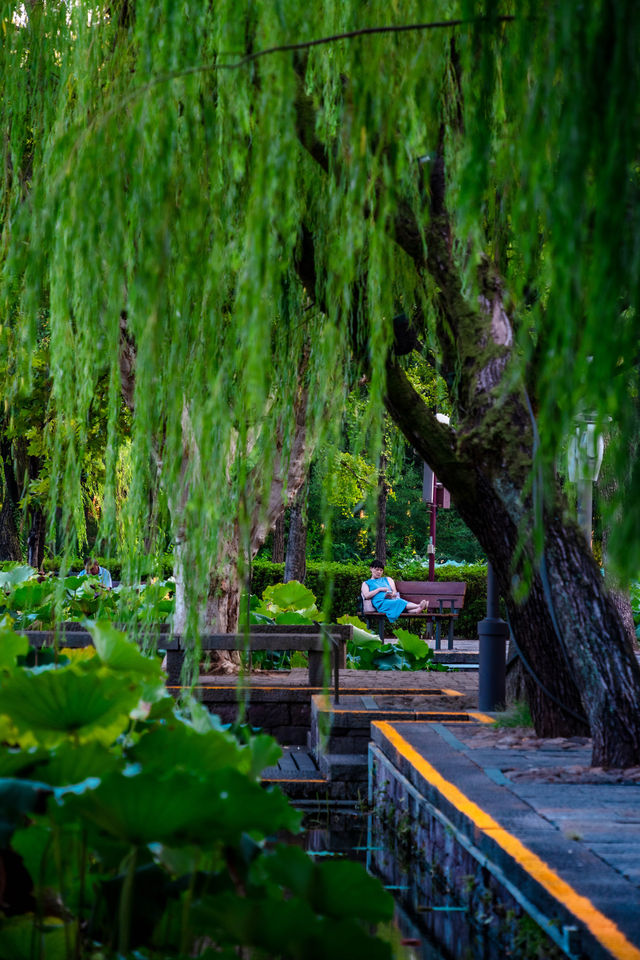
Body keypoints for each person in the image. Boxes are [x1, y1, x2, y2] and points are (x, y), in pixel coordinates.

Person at [361, 559, 427, 623]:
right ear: (371, 568)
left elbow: (394, 591)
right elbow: (366, 596)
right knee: (399, 602)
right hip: (381, 604)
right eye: (377, 569)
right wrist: (379, 589)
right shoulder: (366, 583)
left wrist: (392, 595)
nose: (379, 572)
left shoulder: (387, 579)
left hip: (391, 600)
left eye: (381, 570)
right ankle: (419, 605)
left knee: (398, 602)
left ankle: (417, 610)